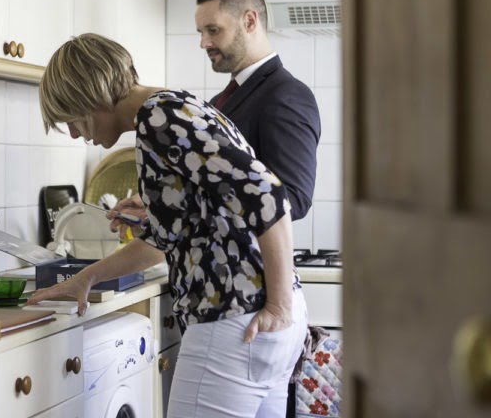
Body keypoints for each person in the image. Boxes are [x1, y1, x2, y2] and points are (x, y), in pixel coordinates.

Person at [27, 33, 308, 418]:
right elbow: (164, 240)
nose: (76, 134)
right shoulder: (175, 108)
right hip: (261, 326)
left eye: (69, 119)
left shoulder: (160, 119)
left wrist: (278, 304)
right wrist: (87, 278)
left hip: (234, 319)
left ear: (87, 95)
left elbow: (269, 196)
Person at [109, 0, 320, 238]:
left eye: (213, 30)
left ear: (250, 22)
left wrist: (188, 208)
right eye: (201, 32)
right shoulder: (221, 99)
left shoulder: (287, 95)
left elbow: (294, 199)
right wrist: (161, 206)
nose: (203, 43)